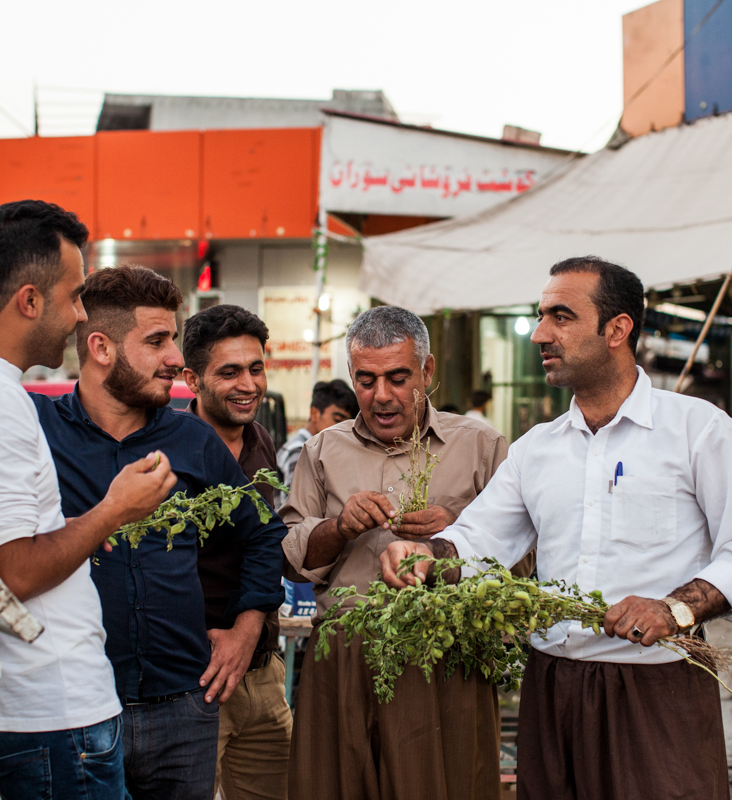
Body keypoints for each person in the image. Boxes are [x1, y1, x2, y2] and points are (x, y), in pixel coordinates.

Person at [380, 256, 732, 800]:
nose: (541, 334)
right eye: (541, 316)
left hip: (657, 686)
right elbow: (477, 541)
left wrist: (675, 608)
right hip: (554, 685)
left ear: (618, 329)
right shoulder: (537, 449)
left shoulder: (697, 430)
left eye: (562, 317)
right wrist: (425, 555)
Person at [31, 268, 287, 800]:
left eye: (173, 338)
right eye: (157, 341)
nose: (175, 356)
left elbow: (263, 535)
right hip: (78, 707)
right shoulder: (39, 431)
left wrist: (246, 628)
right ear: (100, 347)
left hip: (184, 708)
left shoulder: (191, 439)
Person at [0, 201, 177, 800]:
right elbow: (10, 569)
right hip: (53, 717)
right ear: (29, 301)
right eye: (74, 294)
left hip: (40, 713)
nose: (81, 314)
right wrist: (114, 509)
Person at [282, 306, 509, 800]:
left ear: (427, 372)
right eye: (366, 380)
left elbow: (522, 561)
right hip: (343, 657)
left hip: (445, 659)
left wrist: (455, 535)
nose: (381, 395)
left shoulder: (481, 447)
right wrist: (339, 527)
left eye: (398, 377)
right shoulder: (322, 451)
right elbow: (289, 553)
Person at [181, 304, 294, 800]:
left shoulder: (262, 441)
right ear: (192, 379)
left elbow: (265, 544)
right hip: (197, 674)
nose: (248, 384)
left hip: (264, 672)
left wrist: (250, 636)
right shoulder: (169, 450)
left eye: (255, 368)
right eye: (229, 372)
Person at [275, 379, 359, 508]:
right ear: (314, 414)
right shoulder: (298, 452)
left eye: (347, 424)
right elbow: (294, 508)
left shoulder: (323, 450)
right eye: (337, 420)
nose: (343, 429)